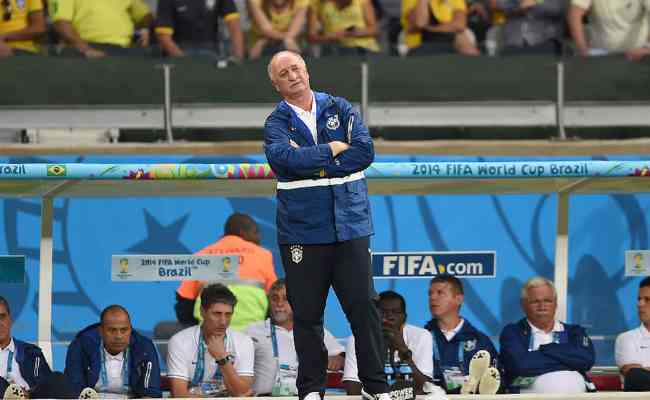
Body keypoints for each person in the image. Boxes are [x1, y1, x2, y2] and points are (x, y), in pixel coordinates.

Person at [264, 50, 389, 400]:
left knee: (364, 309)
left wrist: (316, 164)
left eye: (296, 68)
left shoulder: (340, 108)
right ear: (276, 84)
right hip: (303, 233)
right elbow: (283, 159)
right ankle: (311, 391)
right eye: (284, 72)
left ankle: (376, 389)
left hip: (350, 227)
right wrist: (333, 149)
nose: (293, 75)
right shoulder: (275, 124)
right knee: (306, 317)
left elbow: (364, 152)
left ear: (307, 70)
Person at [175, 212, 278, 331]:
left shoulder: (201, 255)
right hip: (252, 334)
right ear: (242, 232)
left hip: (211, 334)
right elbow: (275, 298)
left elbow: (183, 305)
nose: (259, 237)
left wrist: (197, 327)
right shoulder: (262, 254)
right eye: (255, 232)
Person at [245, 279, 345, 396]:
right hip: (264, 397)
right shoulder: (253, 331)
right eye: (274, 298)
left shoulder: (312, 331)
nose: (279, 304)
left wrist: (338, 358)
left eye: (286, 299)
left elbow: (342, 356)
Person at [499, 276, 596, 394]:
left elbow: (586, 359)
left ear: (555, 303)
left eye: (547, 301)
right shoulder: (513, 332)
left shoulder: (574, 331)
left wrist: (546, 349)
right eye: (535, 301)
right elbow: (520, 365)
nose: (542, 306)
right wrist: (569, 361)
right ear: (524, 305)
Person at [167, 283, 254, 397]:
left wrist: (222, 359)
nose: (223, 321)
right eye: (217, 314)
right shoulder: (179, 341)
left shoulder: (244, 341)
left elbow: (242, 393)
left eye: (228, 314)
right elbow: (179, 394)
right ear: (202, 312)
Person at [343, 290, 433, 395]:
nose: (389, 317)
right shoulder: (356, 339)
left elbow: (427, 389)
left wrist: (403, 349)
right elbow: (353, 390)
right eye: (383, 312)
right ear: (373, 315)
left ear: (404, 317)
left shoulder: (421, 336)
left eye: (395, 312)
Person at [64, 304, 162, 398]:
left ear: (130, 330)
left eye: (124, 330)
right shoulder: (81, 346)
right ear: (101, 331)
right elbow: (74, 391)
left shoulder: (144, 348)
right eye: (112, 330)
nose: (119, 336)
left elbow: (151, 393)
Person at [425, 275, 500, 394]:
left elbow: (496, 381)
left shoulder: (480, 341)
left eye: (440, 293)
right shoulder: (422, 338)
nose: (433, 298)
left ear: (458, 299)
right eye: (430, 293)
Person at [0, 296, 76, 399]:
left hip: (31, 396)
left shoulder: (31, 353)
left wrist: (28, 393)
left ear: (10, 319)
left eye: (2, 317)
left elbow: (43, 383)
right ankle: (13, 395)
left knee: (57, 378)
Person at [49, 0, 152, 57]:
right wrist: (86, 50)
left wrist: (144, 29)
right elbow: (60, 23)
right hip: (86, 50)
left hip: (125, 49)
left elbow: (145, 16)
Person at [154, 0, 245, 60]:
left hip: (212, 51)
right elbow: (163, 36)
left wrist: (238, 58)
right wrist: (183, 62)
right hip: (181, 50)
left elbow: (234, 25)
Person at [568, 0, 650, 61]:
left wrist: (647, 49)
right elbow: (574, 15)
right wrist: (583, 50)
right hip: (601, 56)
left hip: (638, 56)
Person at [401, 0, 480, 55]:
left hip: (449, 46)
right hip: (418, 48)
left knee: (461, 38)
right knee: (460, 39)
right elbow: (420, 23)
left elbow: (459, 25)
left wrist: (430, 29)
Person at [493, 0, 567, 55]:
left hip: (545, 43)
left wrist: (536, 3)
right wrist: (517, 8)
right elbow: (497, 18)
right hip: (512, 44)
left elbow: (559, 8)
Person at [307, 0, 381, 55]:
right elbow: (311, 37)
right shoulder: (315, 4)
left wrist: (354, 32)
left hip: (366, 50)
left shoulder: (363, 1)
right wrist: (329, 37)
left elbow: (375, 30)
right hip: (334, 51)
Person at [615, 276, 650, 391]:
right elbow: (635, 376)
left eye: (647, 300)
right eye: (639, 299)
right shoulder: (626, 338)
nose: (639, 304)